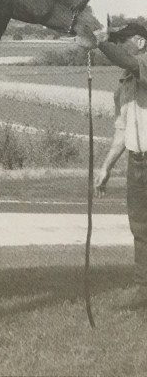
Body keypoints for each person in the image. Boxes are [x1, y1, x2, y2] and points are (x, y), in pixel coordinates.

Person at [80, 22, 147, 308]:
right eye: (118, 41)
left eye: (124, 40)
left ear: (141, 42)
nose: (121, 46)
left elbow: (127, 60)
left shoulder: (142, 64)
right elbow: (122, 132)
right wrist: (106, 167)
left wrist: (100, 43)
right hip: (137, 162)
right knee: (140, 228)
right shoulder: (124, 84)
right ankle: (143, 291)